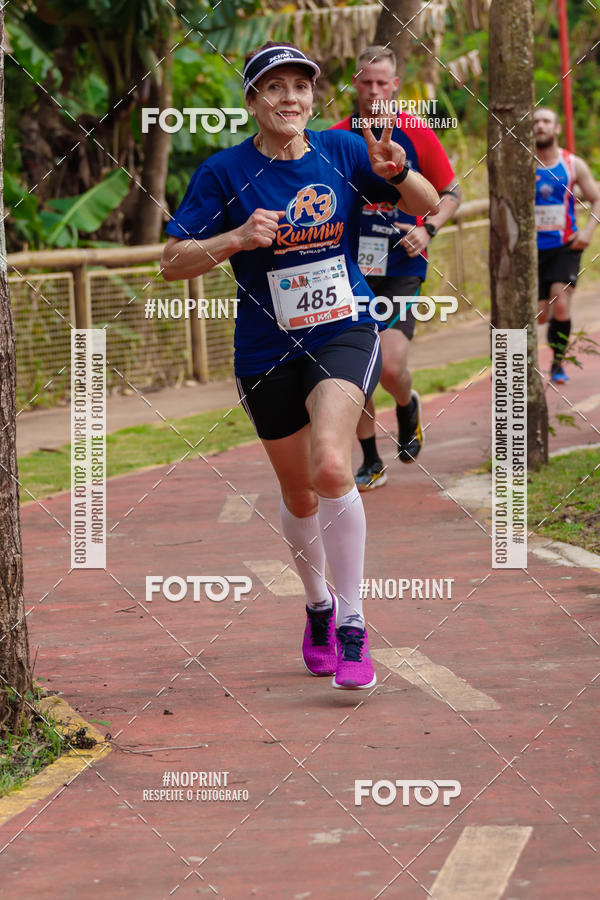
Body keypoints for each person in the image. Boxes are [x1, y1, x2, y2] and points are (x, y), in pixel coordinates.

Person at [161, 42, 438, 690]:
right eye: (275, 88)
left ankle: (351, 622)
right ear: (253, 101)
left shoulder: (342, 151)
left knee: (333, 466)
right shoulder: (223, 173)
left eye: (301, 87)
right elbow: (171, 260)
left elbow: (422, 201)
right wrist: (233, 239)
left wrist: (397, 174)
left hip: (343, 330)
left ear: (314, 97)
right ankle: (315, 606)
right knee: (297, 491)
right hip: (264, 351)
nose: (291, 98)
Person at [332, 46, 461, 490]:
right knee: (357, 368)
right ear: (355, 84)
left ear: (395, 86)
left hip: (403, 262)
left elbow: (451, 194)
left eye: (380, 83)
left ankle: (406, 404)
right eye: (364, 82)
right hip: (349, 267)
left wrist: (429, 230)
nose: (372, 90)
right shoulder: (336, 137)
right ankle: (370, 459)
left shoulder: (417, 133)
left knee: (390, 364)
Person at [533, 107, 600, 383]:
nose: (540, 126)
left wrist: (587, 231)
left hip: (565, 246)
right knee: (540, 315)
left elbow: (597, 198)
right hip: (531, 250)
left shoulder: (573, 165)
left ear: (557, 128)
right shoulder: (522, 166)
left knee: (560, 305)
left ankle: (557, 363)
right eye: (535, 122)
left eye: (546, 121)